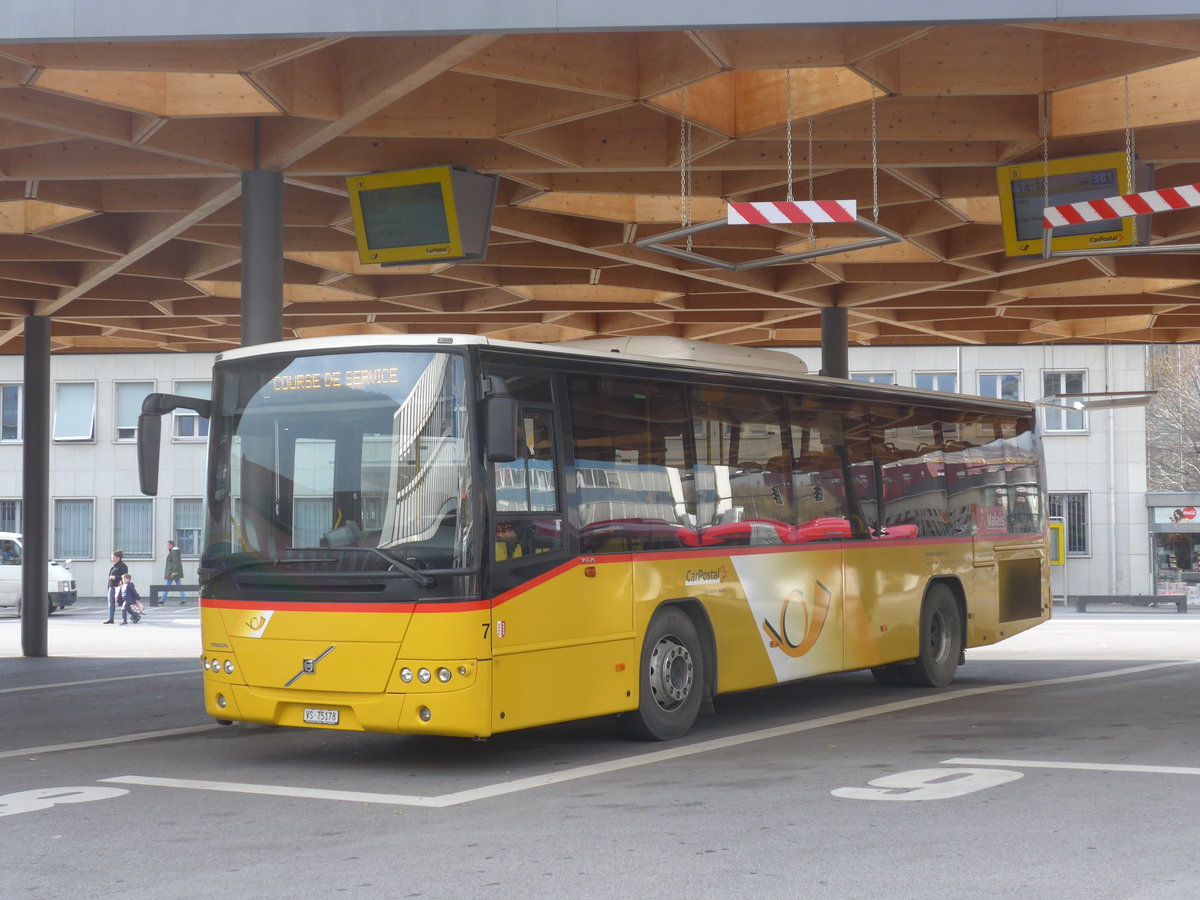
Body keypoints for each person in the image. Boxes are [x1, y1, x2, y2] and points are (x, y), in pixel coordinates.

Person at [104, 550, 127, 624]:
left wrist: (115, 577)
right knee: (111, 603)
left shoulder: (123, 566)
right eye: (112, 557)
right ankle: (111, 619)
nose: (112, 559)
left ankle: (134, 615)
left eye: (113, 557)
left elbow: (125, 577)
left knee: (122, 603)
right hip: (111, 586)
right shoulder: (114, 566)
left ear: (118, 558)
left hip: (118, 587)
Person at [163, 539, 185, 604]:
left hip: (172, 573)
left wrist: (174, 572)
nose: (167, 546)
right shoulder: (174, 552)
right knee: (179, 586)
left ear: (171, 545)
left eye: (168, 545)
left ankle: (162, 599)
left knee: (167, 586)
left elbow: (176, 562)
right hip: (175, 572)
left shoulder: (173, 552)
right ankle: (184, 599)